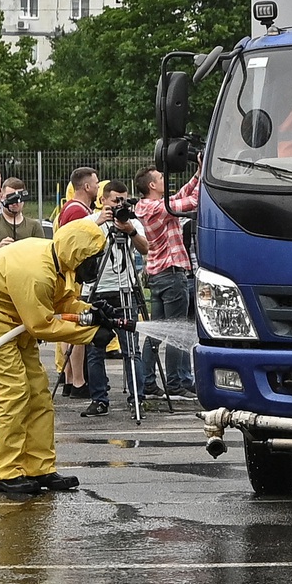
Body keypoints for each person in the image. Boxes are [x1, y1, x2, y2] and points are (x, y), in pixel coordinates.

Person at [0, 218, 109, 499]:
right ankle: (6, 473)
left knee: (38, 392)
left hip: (16, 311)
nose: (94, 265)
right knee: (14, 390)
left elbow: (61, 303)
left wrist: (90, 310)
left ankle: (39, 468)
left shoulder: (62, 265)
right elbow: (41, 324)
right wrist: (90, 335)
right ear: (78, 253)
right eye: (92, 259)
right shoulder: (37, 271)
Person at [81, 181, 148, 417]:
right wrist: (99, 222)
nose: (120, 205)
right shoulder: (90, 223)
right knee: (95, 348)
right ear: (103, 201)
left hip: (125, 290)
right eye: (115, 201)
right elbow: (76, 246)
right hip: (95, 291)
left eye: (123, 200)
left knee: (131, 349)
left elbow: (144, 248)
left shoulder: (131, 221)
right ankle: (99, 399)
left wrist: (130, 230)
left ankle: (137, 399)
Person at [132, 166, 199, 400]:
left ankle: (148, 382)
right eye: (161, 178)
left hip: (157, 275)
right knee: (175, 330)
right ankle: (174, 382)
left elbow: (180, 195)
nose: (164, 180)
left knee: (157, 332)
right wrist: (209, 175)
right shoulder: (160, 209)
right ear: (151, 185)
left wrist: (199, 173)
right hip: (172, 274)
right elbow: (190, 201)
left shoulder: (147, 207)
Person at [55, 168, 100, 395]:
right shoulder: (78, 212)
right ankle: (78, 381)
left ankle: (71, 379)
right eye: (96, 182)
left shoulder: (72, 208)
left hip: (70, 276)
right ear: (86, 187)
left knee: (71, 326)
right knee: (77, 326)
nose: (99, 186)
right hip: (74, 278)